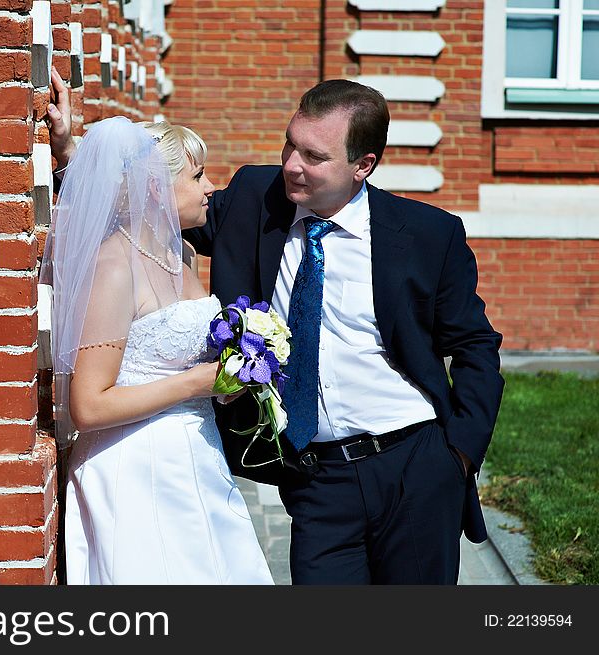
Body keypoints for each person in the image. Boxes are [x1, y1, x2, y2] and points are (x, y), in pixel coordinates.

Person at [48, 77, 504, 584]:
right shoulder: (253, 200)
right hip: (315, 475)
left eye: (314, 155)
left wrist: (459, 453)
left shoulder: (427, 234)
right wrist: (71, 152)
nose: (292, 165)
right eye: (290, 144)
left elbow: (475, 345)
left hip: (413, 464)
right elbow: (143, 208)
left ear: (362, 166)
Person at [41, 111, 273, 584]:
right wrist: (197, 382)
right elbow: (87, 405)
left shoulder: (181, 252)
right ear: (154, 188)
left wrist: (227, 380)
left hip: (196, 457)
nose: (211, 187)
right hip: (135, 468)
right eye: (197, 176)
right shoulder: (113, 268)